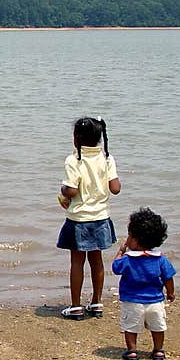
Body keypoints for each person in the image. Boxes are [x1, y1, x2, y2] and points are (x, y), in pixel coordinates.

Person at [57, 116, 121, 319]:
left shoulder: (74, 159)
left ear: (76, 139)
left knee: (77, 262)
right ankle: (97, 302)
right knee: (97, 261)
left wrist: (63, 191)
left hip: (79, 219)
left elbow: (72, 190)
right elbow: (116, 188)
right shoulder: (107, 158)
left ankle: (76, 305)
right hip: (101, 217)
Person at [112, 207, 177, 360]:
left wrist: (121, 251)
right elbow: (168, 277)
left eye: (129, 235)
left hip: (133, 301)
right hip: (155, 301)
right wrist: (170, 292)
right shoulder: (160, 258)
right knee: (158, 327)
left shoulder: (128, 259)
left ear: (135, 239)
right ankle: (158, 350)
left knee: (130, 327)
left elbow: (115, 267)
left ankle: (132, 351)